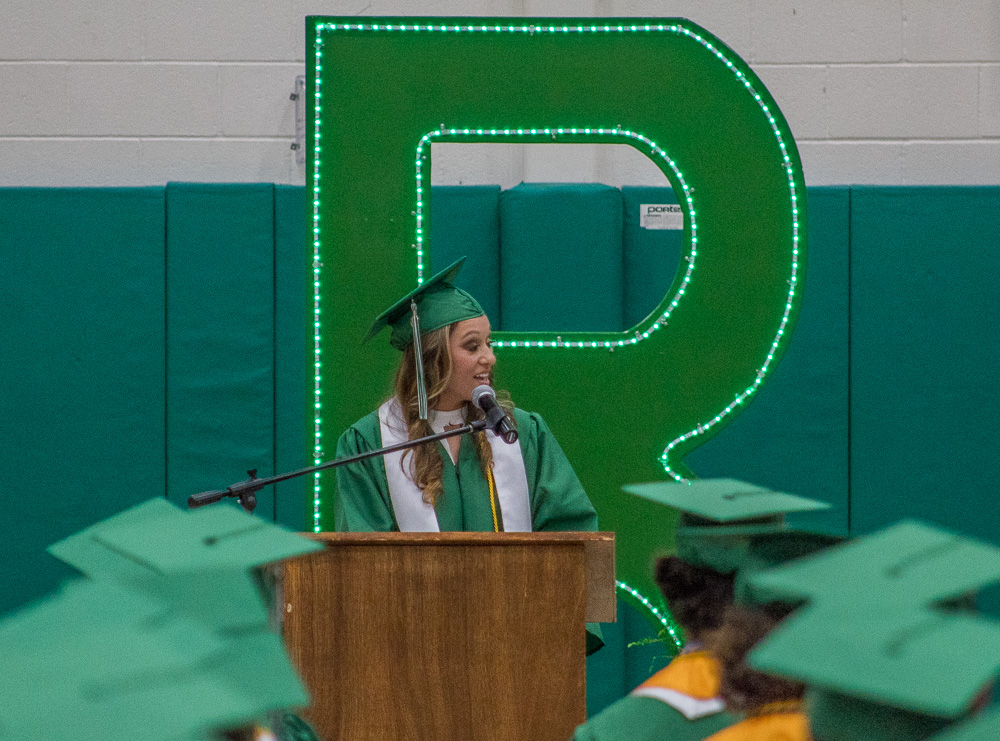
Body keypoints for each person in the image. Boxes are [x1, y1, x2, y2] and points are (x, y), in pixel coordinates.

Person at [334, 257, 603, 650]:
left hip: (517, 647)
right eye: (472, 346)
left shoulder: (522, 432)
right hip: (414, 655)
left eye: (489, 344)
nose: (490, 358)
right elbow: (363, 561)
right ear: (431, 358)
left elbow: (571, 529)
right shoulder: (369, 443)